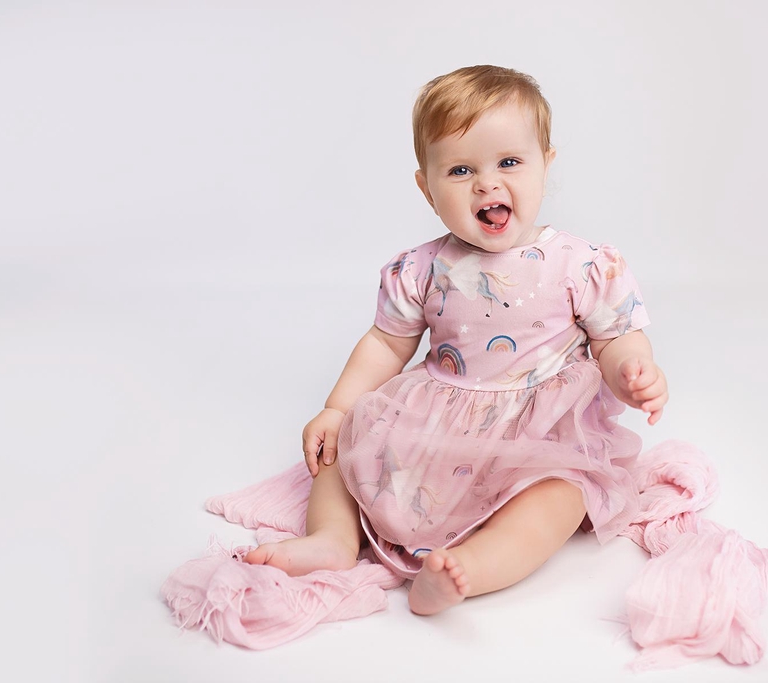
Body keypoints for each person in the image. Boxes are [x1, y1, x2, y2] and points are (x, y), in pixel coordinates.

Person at [244, 65, 669, 616]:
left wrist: (634, 371)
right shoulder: (421, 268)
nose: (487, 184)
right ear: (427, 186)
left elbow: (616, 339)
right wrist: (337, 407)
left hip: (537, 433)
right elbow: (385, 344)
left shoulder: (583, 264)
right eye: (461, 169)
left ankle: (472, 568)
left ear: (546, 164)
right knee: (345, 447)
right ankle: (332, 539)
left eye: (509, 163)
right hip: (436, 420)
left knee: (560, 497)